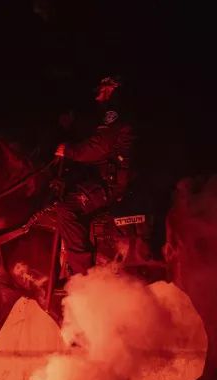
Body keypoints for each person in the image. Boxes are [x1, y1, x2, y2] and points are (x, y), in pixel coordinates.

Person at [53, 76, 135, 275]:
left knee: (66, 210)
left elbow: (99, 147)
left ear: (111, 88)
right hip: (104, 178)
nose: (97, 96)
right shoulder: (112, 113)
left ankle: (82, 274)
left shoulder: (113, 113)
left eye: (101, 90)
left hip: (110, 183)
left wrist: (69, 151)